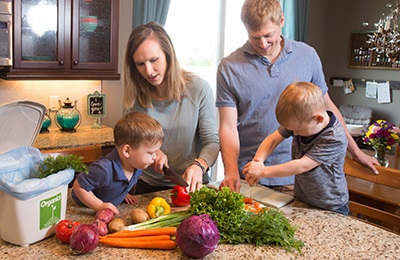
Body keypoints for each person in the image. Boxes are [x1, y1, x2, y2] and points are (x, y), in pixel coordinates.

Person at [216, 0, 378, 193]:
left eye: (269, 35)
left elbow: (328, 107)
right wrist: (231, 171)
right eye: (254, 37)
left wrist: (356, 152)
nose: (263, 44)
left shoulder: (307, 56)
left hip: (298, 176)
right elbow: (227, 126)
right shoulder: (229, 67)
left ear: (282, 20)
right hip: (250, 175)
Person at [123, 22, 219, 193]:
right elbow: (128, 143)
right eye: (140, 64)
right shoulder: (134, 97)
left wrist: (199, 166)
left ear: (168, 54)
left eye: (154, 60)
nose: (149, 71)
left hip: (191, 186)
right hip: (147, 187)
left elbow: (212, 142)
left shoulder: (199, 89)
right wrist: (153, 152)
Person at [243, 82, 349, 215]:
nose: (295, 133)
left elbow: (302, 165)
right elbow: (273, 139)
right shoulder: (301, 119)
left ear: (318, 119)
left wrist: (263, 172)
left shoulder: (334, 138)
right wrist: (258, 162)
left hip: (330, 205)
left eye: (298, 130)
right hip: (303, 198)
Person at [71, 111, 164, 215]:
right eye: (151, 153)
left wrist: (122, 193)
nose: (155, 157)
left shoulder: (136, 166)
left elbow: (117, 184)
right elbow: (78, 186)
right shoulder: (103, 169)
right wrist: (99, 206)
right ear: (127, 151)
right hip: (84, 205)